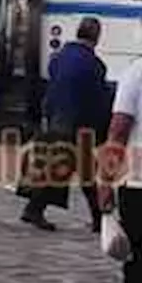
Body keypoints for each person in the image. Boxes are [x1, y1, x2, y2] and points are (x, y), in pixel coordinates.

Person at [21, 17, 109, 232]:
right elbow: (97, 100)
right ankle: (35, 210)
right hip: (78, 125)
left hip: (56, 120)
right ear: (97, 37)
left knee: (64, 169)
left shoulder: (59, 58)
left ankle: (36, 209)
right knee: (79, 172)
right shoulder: (94, 65)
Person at [102, 41, 142, 283]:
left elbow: (118, 130)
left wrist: (105, 180)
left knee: (138, 268)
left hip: (139, 186)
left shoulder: (137, 72)